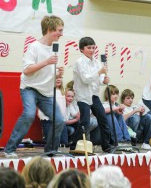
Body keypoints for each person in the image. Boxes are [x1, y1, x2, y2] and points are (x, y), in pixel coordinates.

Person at [4, 15, 65, 158]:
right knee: (29, 114)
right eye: (59, 31)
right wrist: (46, 62)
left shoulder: (56, 48)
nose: (62, 34)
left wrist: (58, 74)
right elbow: (27, 70)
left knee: (60, 120)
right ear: (50, 29)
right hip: (29, 88)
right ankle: (10, 149)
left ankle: (50, 150)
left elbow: (49, 71)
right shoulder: (34, 47)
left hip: (46, 92)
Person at [70, 37, 112, 153]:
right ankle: (75, 146)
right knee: (85, 122)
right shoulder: (79, 62)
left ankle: (106, 146)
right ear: (82, 49)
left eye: (93, 47)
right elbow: (86, 79)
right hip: (83, 95)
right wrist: (99, 72)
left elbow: (99, 80)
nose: (92, 50)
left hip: (94, 95)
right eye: (89, 48)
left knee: (103, 118)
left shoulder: (97, 62)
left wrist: (104, 80)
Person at [38, 77, 67, 145]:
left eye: (60, 78)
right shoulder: (47, 91)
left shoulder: (62, 91)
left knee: (64, 141)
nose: (58, 79)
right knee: (50, 141)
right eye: (56, 78)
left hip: (60, 120)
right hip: (48, 119)